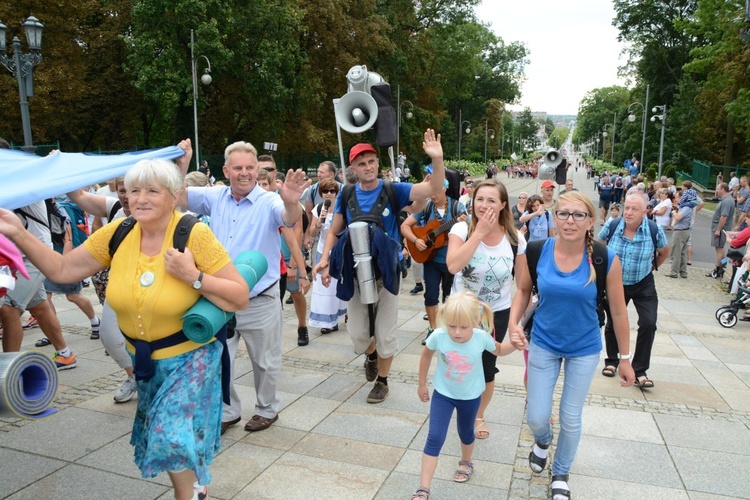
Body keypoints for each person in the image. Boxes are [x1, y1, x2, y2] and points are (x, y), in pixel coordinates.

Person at [0, 158, 249, 500]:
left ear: (174, 195)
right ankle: (194, 487)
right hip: (145, 361)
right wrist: (18, 232)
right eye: (133, 191)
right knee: (172, 440)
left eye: (152, 191)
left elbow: (239, 296)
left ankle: (189, 495)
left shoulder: (193, 233)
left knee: (170, 436)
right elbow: (61, 268)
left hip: (191, 359)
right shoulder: (119, 232)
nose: (140, 198)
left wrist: (194, 277)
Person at [508, 191, 635, 500]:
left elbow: (618, 312)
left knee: (570, 415)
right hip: (544, 342)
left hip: (584, 348)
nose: (570, 221)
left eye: (578, 215)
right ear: (554, 216)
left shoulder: (605, 258)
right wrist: (513, 323)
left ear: (591, 221)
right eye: (563, 213)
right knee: (537, 416)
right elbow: (523, 291)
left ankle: (561, 472)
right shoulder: (536, 251)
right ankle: (543, 441)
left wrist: (625, 358)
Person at [178, 139, 310, 435]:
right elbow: (177, 196)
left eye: (250, 167)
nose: (245, 173)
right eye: (237, 167)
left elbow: (288, 217)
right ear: (226, 170)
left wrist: (291, 200)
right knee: (218, 358)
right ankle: (227, 411)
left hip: (258, 299)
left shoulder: (269, 200)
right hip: (219, 298)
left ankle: (267, 409)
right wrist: (184, 164)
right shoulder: (215, 196)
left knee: (264, 361)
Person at [314, 129, 446, 404]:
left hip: (387, 273)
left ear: (378, 163)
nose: (368, 167)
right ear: (353, 168)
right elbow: (333, 231)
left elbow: (433, 189)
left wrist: (437, 159)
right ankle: (370, 355)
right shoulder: (347, 194)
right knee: (359, 336)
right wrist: (325, 259)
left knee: (385, 333)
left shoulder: (393, 189)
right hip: (354, 273)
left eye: (371, 161)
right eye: (362, 164)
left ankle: (382, 381)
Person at [411, 292, 520, 500]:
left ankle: (466, 461)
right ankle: (423, 488)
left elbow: (499, 350)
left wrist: (515, 344)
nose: (457, 332)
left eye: (463, 327)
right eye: (452, 326)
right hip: (443, 394)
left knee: (465, 432)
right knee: (435, 436)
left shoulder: (480, 337)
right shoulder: (439, 335)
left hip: (470, 397)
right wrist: (421, 384)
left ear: (476, 321)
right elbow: (426, 356)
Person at [446, 178, 526, 441]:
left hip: (496, 313)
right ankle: (456, 404)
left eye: (492, 200)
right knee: (458, 364)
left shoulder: (516, 238)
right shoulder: (461, 229)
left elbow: (523, 286)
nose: (484, 205)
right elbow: (453, 266)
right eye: (480, 199)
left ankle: (478, 414)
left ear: (503, 204)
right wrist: (479, 233)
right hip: (461, 312)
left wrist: (515, 321)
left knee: (487, 366)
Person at [599, 193, 669, 389]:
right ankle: (612, 361)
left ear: (645, 211)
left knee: (649, 323)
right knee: (613, 322)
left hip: (643, 283)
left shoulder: (654, 230)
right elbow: (599, 247)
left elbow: (664, 252)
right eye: (626, 208)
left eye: (634, 209)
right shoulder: (612, 226)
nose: (628, 212)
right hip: (615, 283)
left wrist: (652, 268)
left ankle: (639, 370)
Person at [401, 181, 467, 342]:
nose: (433, 195)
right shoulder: (427, 207)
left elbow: (470, 227)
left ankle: (447, 328)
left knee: (449, 297)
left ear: (445, 188)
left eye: (436, 191)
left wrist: (466, 221)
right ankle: (433, 328)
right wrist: (416, 240)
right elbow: (405, 226)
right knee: (430, 295)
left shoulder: (457, 208)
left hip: (451, 261)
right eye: (431, 192)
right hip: (431, 260)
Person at [308, 179, 347, 333]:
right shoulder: (318, 209)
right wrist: (320, 221)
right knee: (323, 287)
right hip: (321, 250)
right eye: (326, 191)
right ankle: (326, 322)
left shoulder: (341, 209)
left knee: (337, 285)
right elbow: (312, 233)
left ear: (337, 193)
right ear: (321, 194)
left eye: (332, 191)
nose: (329, 194)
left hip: (338, 252)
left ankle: (337, 316)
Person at [303, 161, 341, 265]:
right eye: (318, 171)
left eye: (322, 172)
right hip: (319, 239)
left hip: (338, 243)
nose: (318, 174)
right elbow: (308, 214)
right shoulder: (313, 190)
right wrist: (307, 236)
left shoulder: (343, 189)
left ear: (332, 174)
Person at [665, 189, 695, 278]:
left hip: (680, 231)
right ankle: (683, 272)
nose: (677, 199)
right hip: (685, 230)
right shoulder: (688, 206)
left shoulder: (686, 207)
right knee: (682, 253)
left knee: (676, 252)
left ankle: (674, 272)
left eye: (678, 197)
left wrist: (674, 212)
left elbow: (678, 217)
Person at [708, 183, 735, 278]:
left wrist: (718, 230)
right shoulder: (726, 200)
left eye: (718, 189)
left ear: (723, 189)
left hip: (721, 229)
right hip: (720, 228)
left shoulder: (727, 201)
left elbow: (724, 216)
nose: (717, 191)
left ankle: (718, 269)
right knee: (720, 249)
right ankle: (721, 267)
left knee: (719, 249)